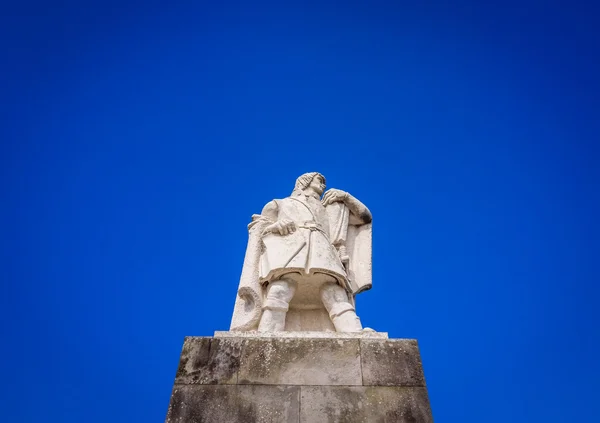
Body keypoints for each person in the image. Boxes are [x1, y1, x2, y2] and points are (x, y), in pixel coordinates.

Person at [255, 172, 372, 332]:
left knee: (334, 291)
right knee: (280, 288)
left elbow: (365, 217)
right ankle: (267, 332)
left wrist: (346, 197)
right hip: (291, 250)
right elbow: (258, 230)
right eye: (320, 180)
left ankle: (354, 331)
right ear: (305, 182)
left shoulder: (332, 207)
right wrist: (275, 226)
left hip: (323, 250)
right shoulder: (279, 204)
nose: (324, 185)